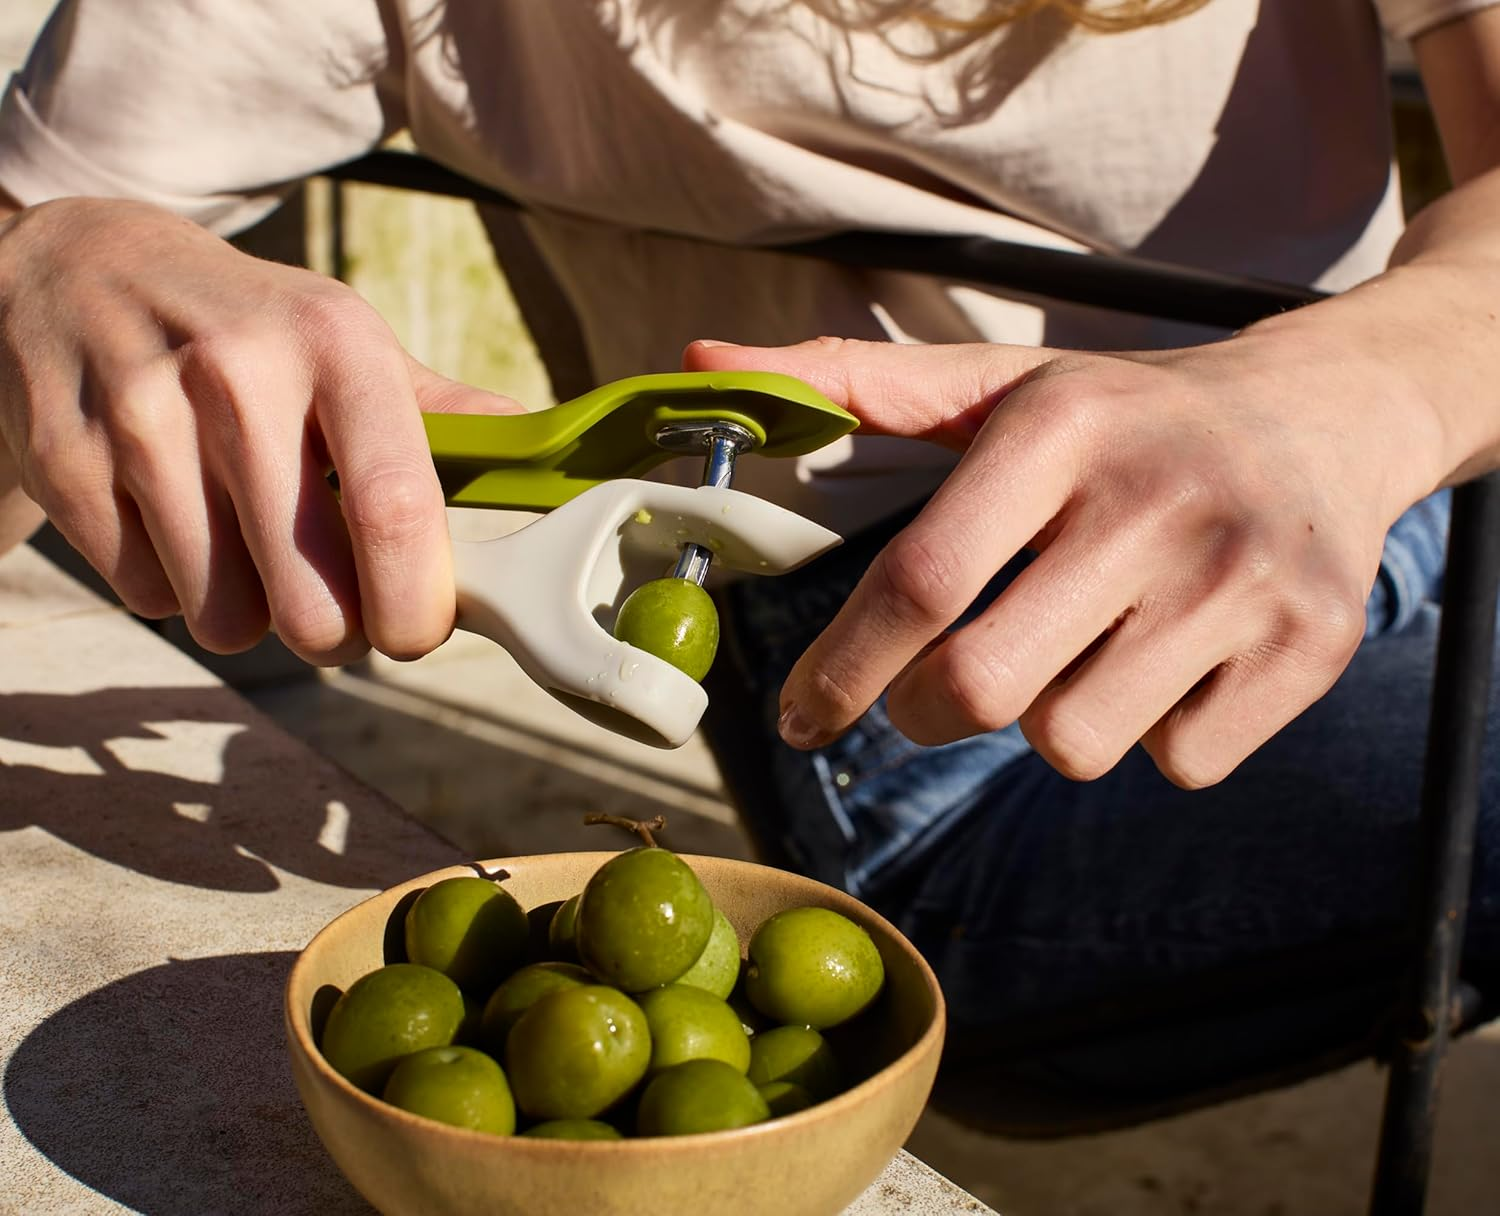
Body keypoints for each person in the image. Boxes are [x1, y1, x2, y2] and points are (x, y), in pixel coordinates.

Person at [2, 0, 1498, 1123]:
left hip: (1423, 497)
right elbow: (36, 258)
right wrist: (40, 261)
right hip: (952, 708)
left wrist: (1358, 390)